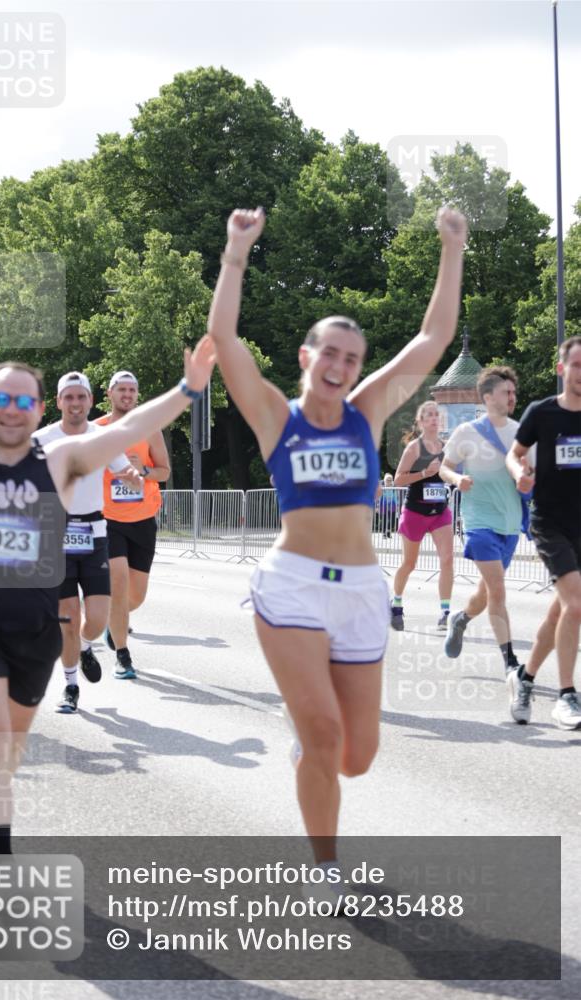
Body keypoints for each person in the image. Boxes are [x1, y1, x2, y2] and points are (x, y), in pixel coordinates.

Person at [206, 204, 466, 896]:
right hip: (290, 585)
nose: (342, 366)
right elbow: (224, 339)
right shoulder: (273, 416)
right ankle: (325, 869)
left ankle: (309, 749)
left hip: (359, 592)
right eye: (330, 353)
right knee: (323, 737)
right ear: (306, 357)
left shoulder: (369, 409)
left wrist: (451, 248)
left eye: (352, 358)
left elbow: (433, 335)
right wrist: (236, 253)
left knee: (355, 756)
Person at [0, 341, 214, 853]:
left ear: (37, 411)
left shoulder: (59, 459)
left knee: (7, 750)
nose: (12, 410)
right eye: (1, 400)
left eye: (24, 401)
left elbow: (126, 429)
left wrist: (187, 390)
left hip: (35, 631)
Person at [34, 371, 140, 714]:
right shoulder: (42, 439)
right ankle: (70, 686)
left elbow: (124, 470)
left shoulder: (102, 437)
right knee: (67, 615)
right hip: (56, 536)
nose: (76, 403)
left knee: (96, 618)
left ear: (91, 401)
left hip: (94, 534)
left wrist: (133, 477)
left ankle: (83, 646)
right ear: (59, 402)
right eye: (69, 397)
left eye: (82, 397)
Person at [506, 336, 581, 730]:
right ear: (561, 368)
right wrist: (520, 473)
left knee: (564, 610)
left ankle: (525, 676)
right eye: (578, 365)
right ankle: (567, 695)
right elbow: (514, 453)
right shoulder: (543, 413)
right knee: (577, 604)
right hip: (550, 522)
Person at [440, 367, 529, 685]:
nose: (512, 397)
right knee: (498, 590)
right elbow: (444, 467)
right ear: (488, 396)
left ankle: (461, 619)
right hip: (478, 522)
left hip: (509, 523)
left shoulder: (522, 432)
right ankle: (510, 662)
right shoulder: (466, 431)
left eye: (514, 393)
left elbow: (529, 472)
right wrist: (457, 479)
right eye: (507, 392)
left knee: (487, 591)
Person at [95, 371, 171, 680]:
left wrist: (145, 470)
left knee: (135, 597)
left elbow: (164, 472)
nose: (127, 394)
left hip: (142, 520)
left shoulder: (149, 428)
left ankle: (115, 623)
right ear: (110, 393)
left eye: (132, 390)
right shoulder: (96, 430)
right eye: (121, 389)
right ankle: (123, 657)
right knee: (118, 580)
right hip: (108, 520)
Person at [390, 401, 453, 631]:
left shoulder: (447, 447)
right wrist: (426, 473)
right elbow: (398, 479)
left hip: (440, 512)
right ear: (421, 421)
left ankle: (445, 612)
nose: (434, 419)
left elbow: (452, 474)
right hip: (415, 511)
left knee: (447, 559)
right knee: (409, 563)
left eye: (437, 415)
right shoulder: (414, 448)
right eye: (429, 416)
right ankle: (396, 602)